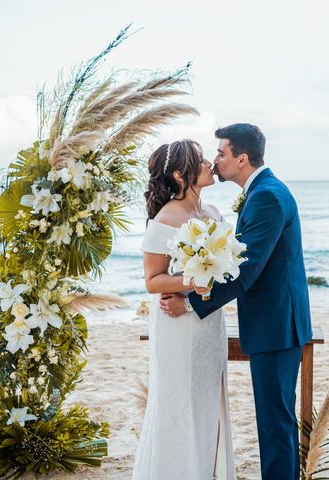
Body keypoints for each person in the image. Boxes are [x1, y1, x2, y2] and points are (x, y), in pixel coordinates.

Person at [160, 124, 313, 480]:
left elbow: (246, 271)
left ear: (241, 159)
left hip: (276, 327)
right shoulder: (263, 190)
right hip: (276, 324)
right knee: (279, 423)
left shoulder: (266, 197)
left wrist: (191, 303)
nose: (215, 161)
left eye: (221, 153)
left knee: (275, 425)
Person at [132, 139, 235, 480]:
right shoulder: (165, 218)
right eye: (200, 160)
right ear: (179, 175)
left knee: (207, 406)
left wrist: (209, 281)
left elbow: (224, 269)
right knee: (179, 404)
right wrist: (194, 282)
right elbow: (153, 281)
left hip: (208, 325)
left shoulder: (214, 214)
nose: (209, 164)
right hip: (175, 328)